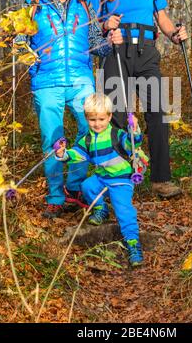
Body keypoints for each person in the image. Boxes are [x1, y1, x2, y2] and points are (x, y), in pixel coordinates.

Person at [88, 0, 188, 199]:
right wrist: (104, 24)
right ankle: (119, 180)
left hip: (146, 52)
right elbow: (89, 25)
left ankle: (160, 180)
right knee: (116, 116)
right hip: (114, 52)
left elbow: (162, 18)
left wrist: (174, 36)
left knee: (158, 111)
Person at [27, 0, 123, 219]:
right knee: (53, 139)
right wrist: (28, 58)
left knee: (90, 131)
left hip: (81, 78)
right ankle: (56, 197)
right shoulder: (33, 3)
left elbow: (96, 46)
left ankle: (75, 187)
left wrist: (109, 42)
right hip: (46, 80)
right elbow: (19, 40)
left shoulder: (83, 3)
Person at [55, 93, 145, 267]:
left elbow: (132, 143)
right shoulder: (87, 139)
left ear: (110, 116)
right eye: (92, 119)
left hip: (121, 180)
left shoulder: (116, 134)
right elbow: (77, 155)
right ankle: (101, 209)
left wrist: (134, 130)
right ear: (86, 118)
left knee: (124, 210)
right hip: (102, 177)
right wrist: (63, 154)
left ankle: (133, 244)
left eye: (102, 119)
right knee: (87, 186)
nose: (97, 124)